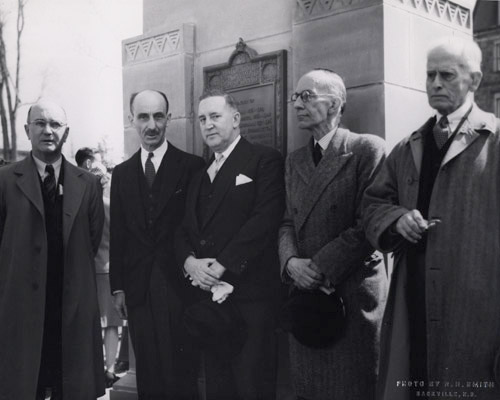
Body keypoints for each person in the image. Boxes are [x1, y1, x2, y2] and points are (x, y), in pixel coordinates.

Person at [363, 37, 500, 400]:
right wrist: (396, 220)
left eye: (447, 75)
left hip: (477, 310)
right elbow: (373, 204)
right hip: (414, 299)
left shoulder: (496, 141)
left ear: (475, 80)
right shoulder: (408, 145)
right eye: (429, 75)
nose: (435, 83)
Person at [278, 69, 388, 400]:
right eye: (295, 96)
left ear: (335, 104)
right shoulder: (294, 160)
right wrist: (292, 262)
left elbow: (370, 223)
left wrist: (320, 266)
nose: (297, 103)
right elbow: (287, 222)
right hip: (307, 301)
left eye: (307, 96)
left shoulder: (365, 149)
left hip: (349, 299)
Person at [175, 89, 285, 400]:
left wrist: (222, 265)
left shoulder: (264, 159)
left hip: (252, 300)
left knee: (252, 386)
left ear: (236, 119)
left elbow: (265, 219)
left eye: (215, 116)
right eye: (202, 119)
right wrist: (190, 263)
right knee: (219, 387)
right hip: (208, 301)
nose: (207, 125)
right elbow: (184, 228)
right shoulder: (199, 174)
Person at [0, 100, 105, 399]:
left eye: (56, 124)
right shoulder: (5, 180)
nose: (48, 131)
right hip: (21, 305)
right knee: (22, 383)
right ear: (27, 129)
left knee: (70, 384)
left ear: (67, 132)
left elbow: (92, 239)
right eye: (40, 123)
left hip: (70, 304)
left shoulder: (89, 184)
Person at [109, 89, 205, 399]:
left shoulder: (191, 166)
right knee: (148, 372)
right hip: (138, 288)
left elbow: (196, 226)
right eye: (143, 117)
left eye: (158, 116)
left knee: (182, 370)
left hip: (179, 284)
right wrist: (118, 287)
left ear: (169, 118)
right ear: (131, 121)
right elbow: (119, 235)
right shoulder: (122, 174)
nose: (151, 125)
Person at [76, 149, 121, 387]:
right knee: (111, 324)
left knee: (89, 322)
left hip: (86, 270)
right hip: (107, 269)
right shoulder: (109, 205)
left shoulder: (79, 205)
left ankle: (90, 368)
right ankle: (110, 369)